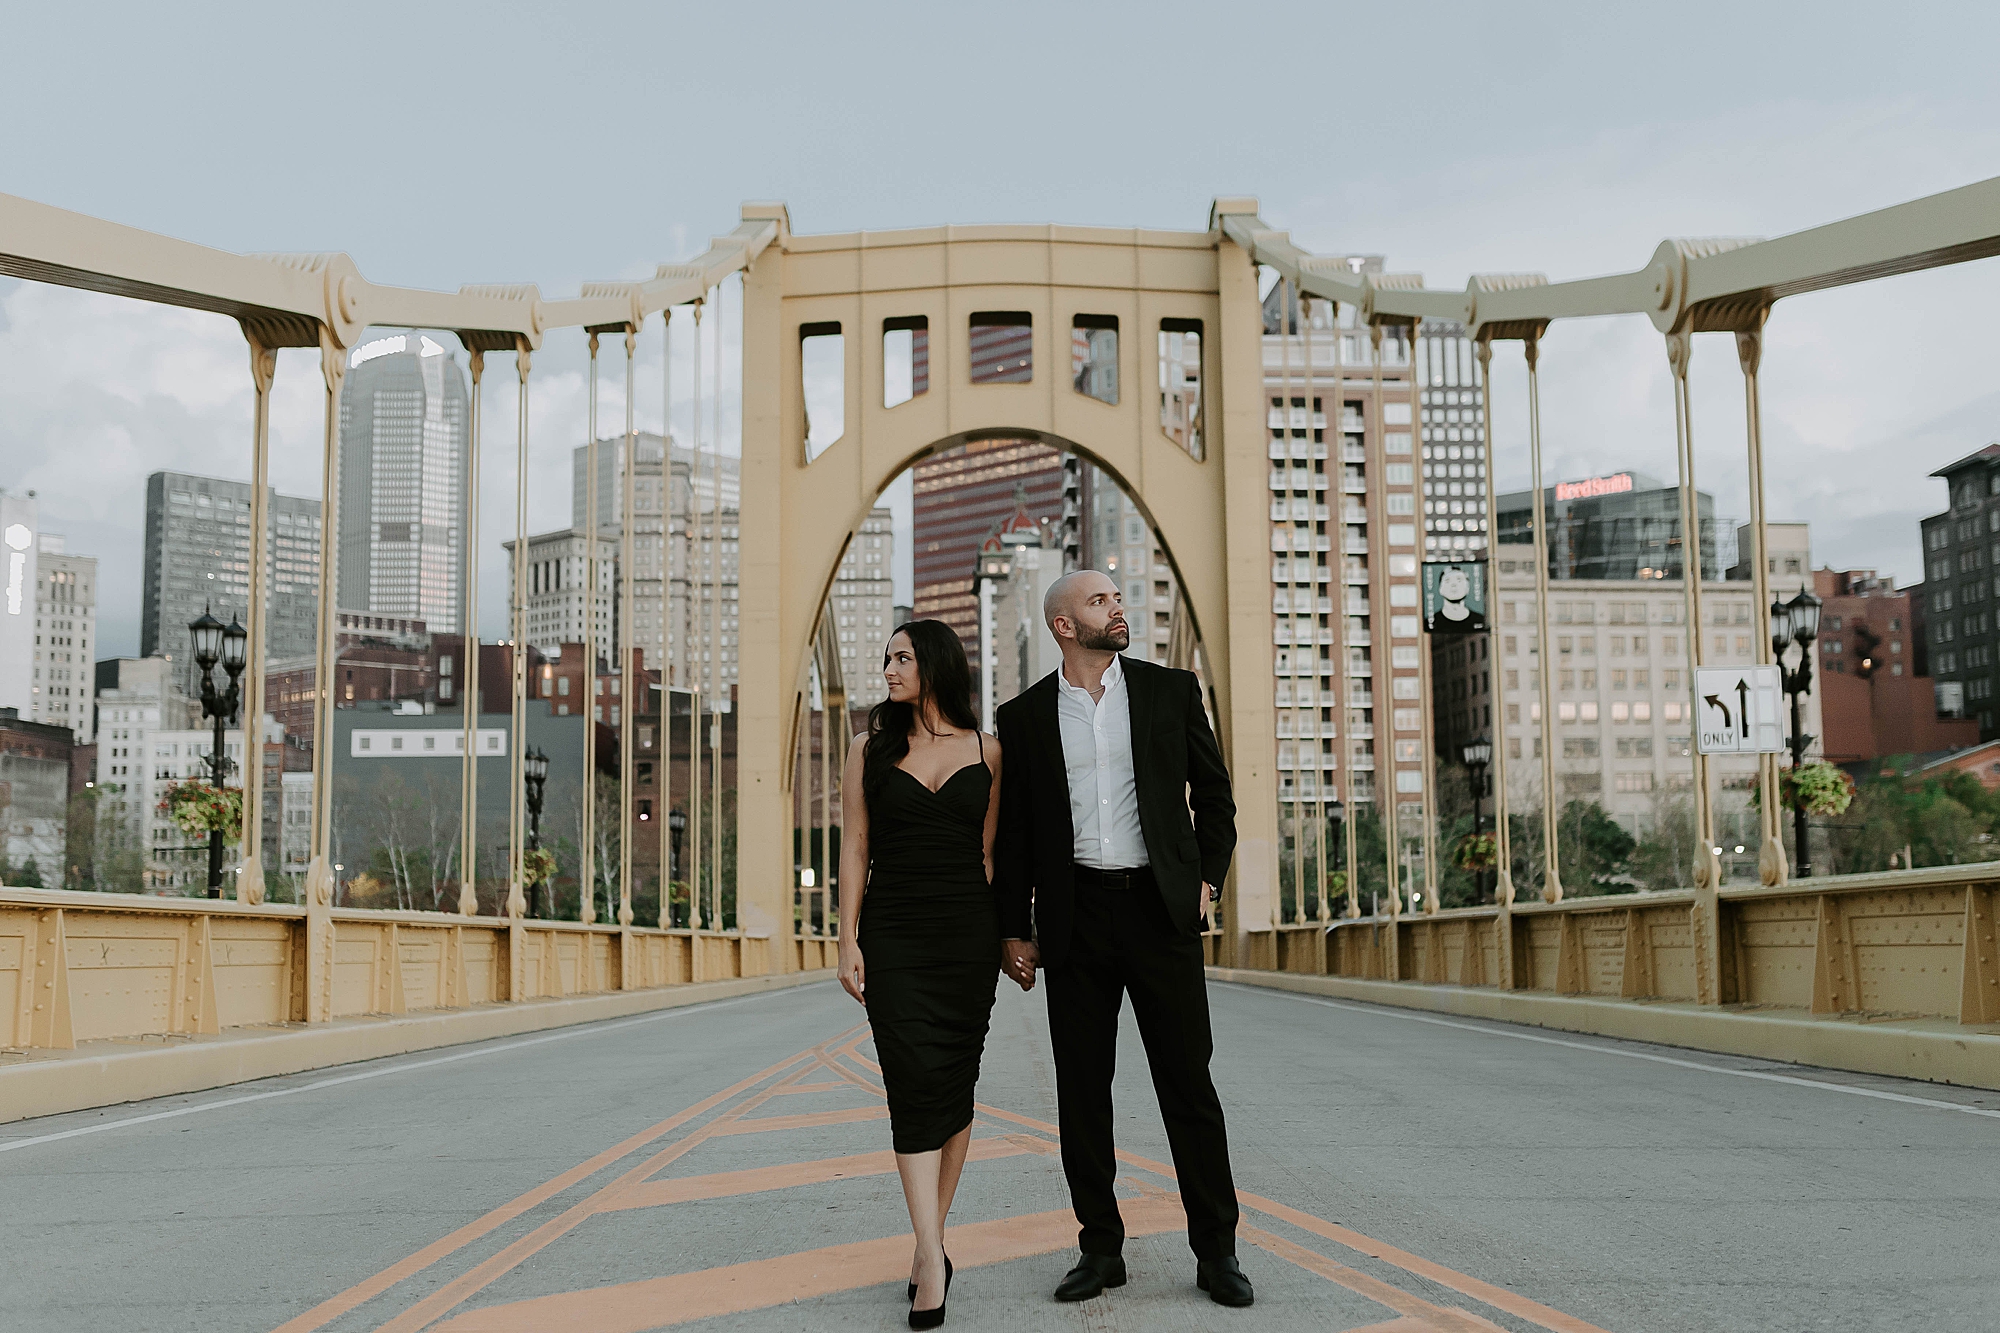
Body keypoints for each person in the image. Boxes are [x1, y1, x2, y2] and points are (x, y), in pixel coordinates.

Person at [993, 569, 1253, 1308]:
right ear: (1064, 625)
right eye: (1100, 600)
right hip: (1075, 919)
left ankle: (1218, 1249)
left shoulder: (1171, 691)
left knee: (1188, 1086)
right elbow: (1014, 834)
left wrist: (1208, 878)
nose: (1119, 607)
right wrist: (1013, 927)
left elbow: (1216, 795)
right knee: (1082, 1095)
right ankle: (1100, 1248)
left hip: (1159, 912)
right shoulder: (1025, 717)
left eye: (1117, 597)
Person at [837, 619, 1006, 1330]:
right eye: (885, 659)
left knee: (955, 1085)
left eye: (902, 656)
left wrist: (1010, 939)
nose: (889, 668)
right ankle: (933, 1255)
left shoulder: (990, 751)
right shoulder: (865, 749)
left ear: (935, 663)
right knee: (911, 1083)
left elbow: (993, 856)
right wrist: (844, 936)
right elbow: (855, 843)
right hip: (895, 935)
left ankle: (926, 1242)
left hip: (967, 939)